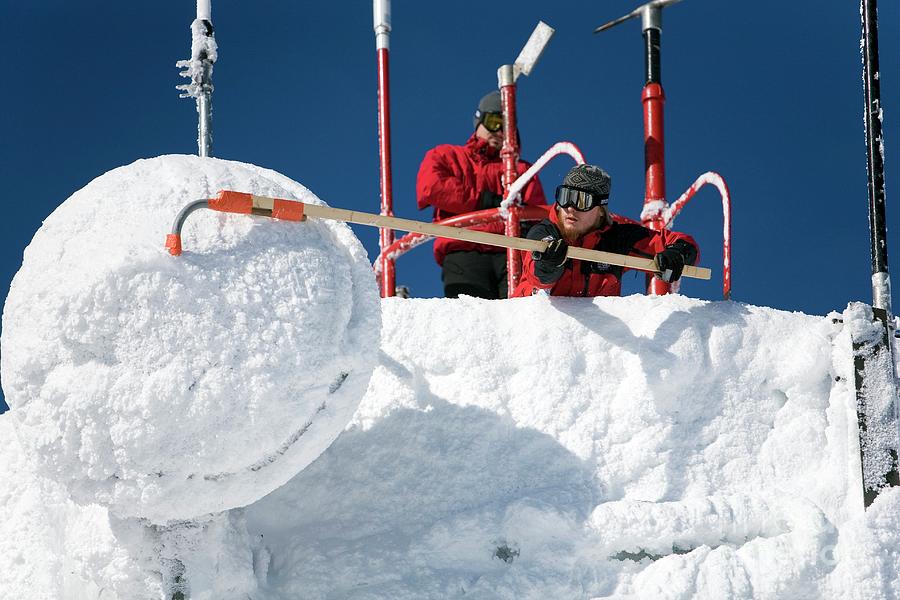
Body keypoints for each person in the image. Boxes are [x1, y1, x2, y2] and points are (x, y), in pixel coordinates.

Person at [417, 90, 546, 299]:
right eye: (494, 122)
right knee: (473, 321)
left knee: (519, 319)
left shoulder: (522, 170)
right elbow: (431, 186)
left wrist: (527, 225)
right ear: (479, 120)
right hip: (464, 251)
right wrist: (483, 201)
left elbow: (538, 212)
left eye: (507, 127)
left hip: (510, 253)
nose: (499, 132)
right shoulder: (447, 156)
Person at [512, 164, 699, 298]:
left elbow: (678, 241)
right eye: (565, 197)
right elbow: (539, 276)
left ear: (601, 210)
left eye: (581, 201)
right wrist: (548, 264)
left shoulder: (617, 241)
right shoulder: (544, 232)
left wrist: (678, 254)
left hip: (592, 343)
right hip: (535, 334)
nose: (570, 208)